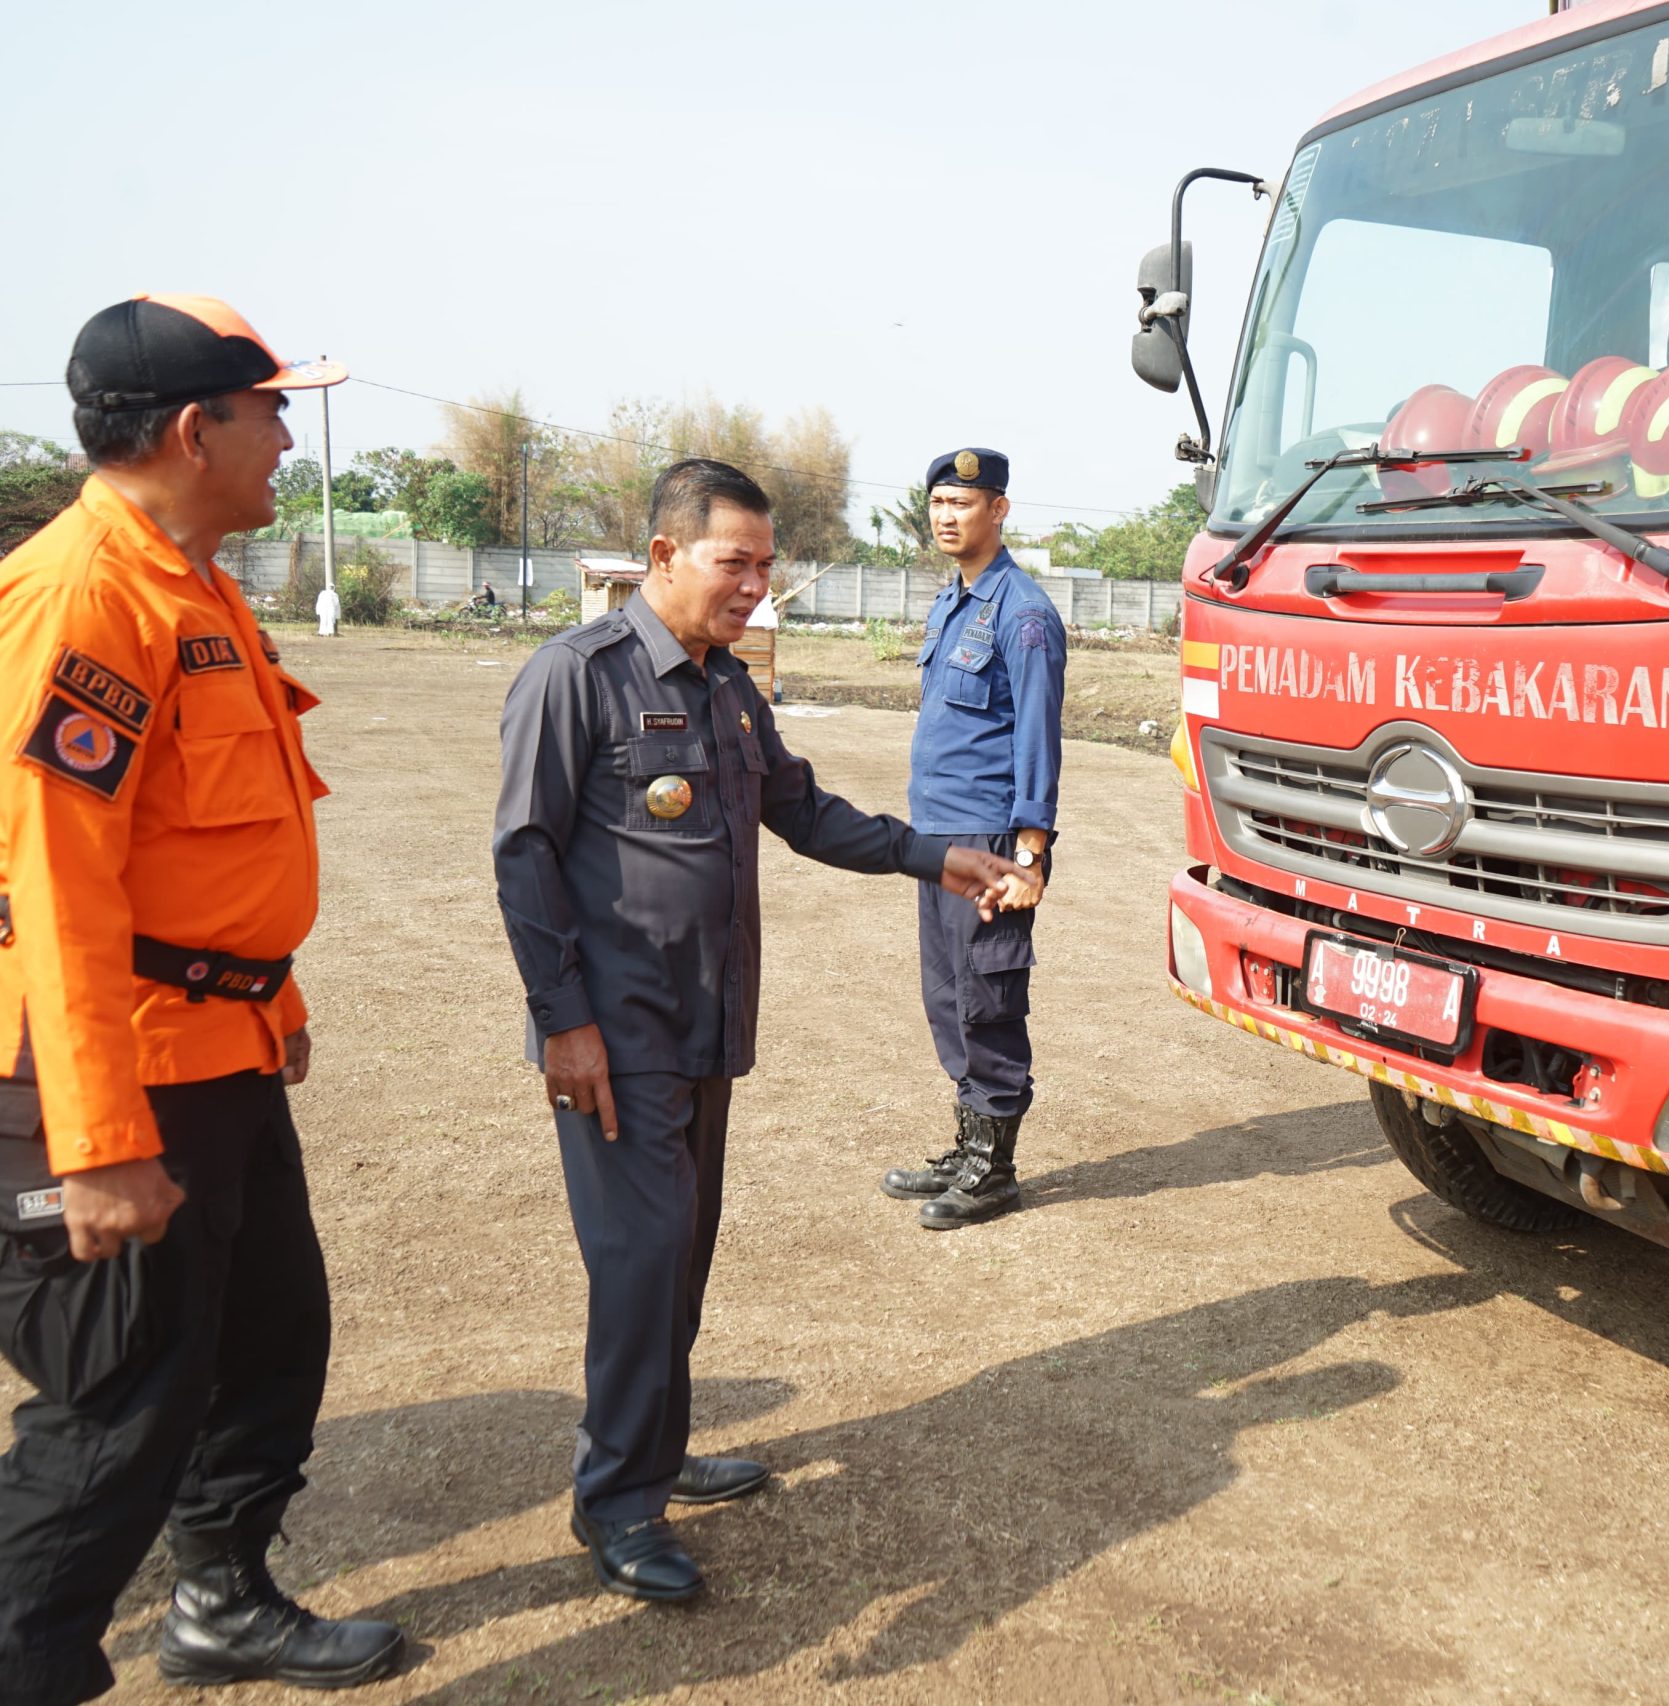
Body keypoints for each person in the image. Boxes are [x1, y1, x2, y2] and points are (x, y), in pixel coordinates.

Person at [492, 458, 1012, 1603]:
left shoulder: (728, 688)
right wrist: (563, 1024)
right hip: (615, 1038)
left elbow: (803, 810)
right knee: (636, 1268)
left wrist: (936, 852)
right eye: (737, 562)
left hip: (705, 1027)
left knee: (679, 1257)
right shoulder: (576, 677)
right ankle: (617, 1501)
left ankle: (659, 1452)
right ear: (665, 555)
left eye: (766, 565)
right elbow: (523, 854)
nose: (755, 585)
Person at [0, 295, 404, 1701]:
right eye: (275, 408)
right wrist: (98, 1138)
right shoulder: (87, 593)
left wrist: (270, 1007)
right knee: (119, 1412)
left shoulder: (195, 575)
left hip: (216, 1049)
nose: (290, 436)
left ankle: (223, 1597)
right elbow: (55, 881)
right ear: (194, 428)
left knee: (271, 1340)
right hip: (117, 1069)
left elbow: (212, 843)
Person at [878, 449, 1065, 1229]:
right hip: (938, 835)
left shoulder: (1023, 614)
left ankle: (996, 1170)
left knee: (989, 995)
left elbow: (1037, 741)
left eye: (965, 501)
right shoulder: (953, 603)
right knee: (948, 994)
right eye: (939, 504)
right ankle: (968, 1145)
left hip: (989, 836)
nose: (948, 516)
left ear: (1000, 510)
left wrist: (1031, 852)